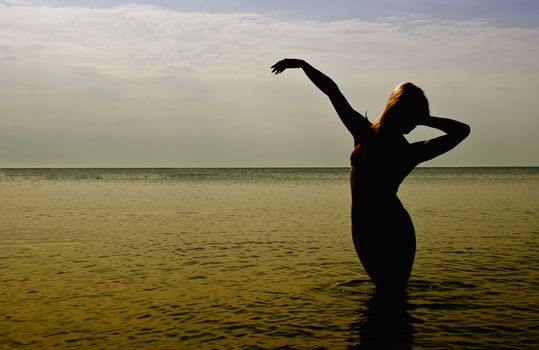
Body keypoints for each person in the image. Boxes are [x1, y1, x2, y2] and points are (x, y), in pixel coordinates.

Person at [271, 58, 470, 294]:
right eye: (412, 116)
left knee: (392, 294)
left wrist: (425, 118)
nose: (414, 125)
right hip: (363, 227)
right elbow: (332, 91)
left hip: (393, 227)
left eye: (417, 118)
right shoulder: (363, 131)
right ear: (397, 110)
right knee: (387, 296)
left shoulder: (409, 152)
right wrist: (303, 65)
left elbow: (463, 131)